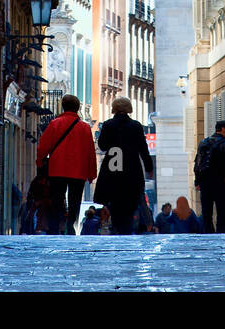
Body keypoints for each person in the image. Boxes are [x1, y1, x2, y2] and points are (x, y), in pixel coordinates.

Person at [35, 93, 98, 235]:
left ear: (62, 107)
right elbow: (90, 152)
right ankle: (71, 225)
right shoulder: (84, 127)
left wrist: (40, 161)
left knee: (57, 200)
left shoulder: (54, 124)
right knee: (75, 201)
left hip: (57, 169)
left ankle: (56, 227)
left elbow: (43, 146)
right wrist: (91, 173)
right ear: (77, 108)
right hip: (78, 170)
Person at [94, 96, 154, 235]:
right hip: (131, 173)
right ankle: (126, 231)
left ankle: (117, 230)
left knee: (115, 207)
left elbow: (102, 146)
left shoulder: (108, 125)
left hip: (112, 172)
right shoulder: (136, 126)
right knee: (130, 206)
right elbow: (143, 149)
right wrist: (149, 168)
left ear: (114, 109)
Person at [194, 119, 225, 233]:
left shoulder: (203, 142)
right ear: (223, 129)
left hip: (205, 183)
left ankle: (209, 236)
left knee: (206, 214)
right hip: (221, 183)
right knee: (222, 214)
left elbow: (197, 163)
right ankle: (221, 237)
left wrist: (197, 181)